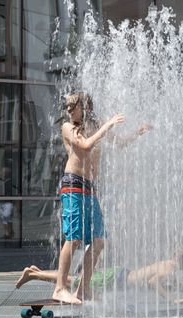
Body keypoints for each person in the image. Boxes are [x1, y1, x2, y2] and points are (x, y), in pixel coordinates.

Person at [54, 92, 151, 304]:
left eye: (73, 107)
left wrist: (138, 133)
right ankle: (60, 288)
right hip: (73, 185)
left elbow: (120, 143)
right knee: (74, 238)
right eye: (67, 108)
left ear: (85, 106)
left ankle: (83, 289)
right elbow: (86, 145)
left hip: (89, 188)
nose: (69, 111)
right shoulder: (68, 128)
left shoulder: (94, 126)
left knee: (98, 241)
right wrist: (107, 125)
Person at [16, 246, 183, 304]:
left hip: (120, 276)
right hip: (117, 279)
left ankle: (36, 272)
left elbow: (172, 281)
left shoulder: (169, 264)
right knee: (74, 281)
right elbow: (153, 282)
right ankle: (33, 275)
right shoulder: (171, 268)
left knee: (76, 281)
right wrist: (172, 299)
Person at [0, 166, 14, 239]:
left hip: (8, 202)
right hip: (0, 202)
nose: (1, 173)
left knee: (6, 216)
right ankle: (8, 233)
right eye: (1, 172)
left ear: (6, 174)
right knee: (4, 218)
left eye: (3, 172)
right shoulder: (0, 181)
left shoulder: (10, 182)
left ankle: (9, 232)